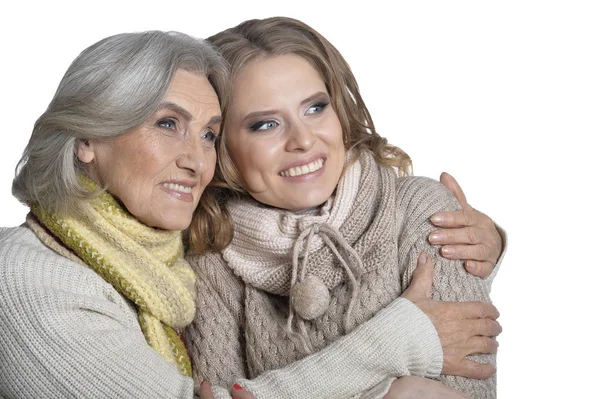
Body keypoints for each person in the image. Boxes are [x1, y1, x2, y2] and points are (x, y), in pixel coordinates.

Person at [0, 29, 500, 399]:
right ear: (87, 138)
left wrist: (489, 244)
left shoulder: (160, 256)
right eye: (167, 123)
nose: (195, 158)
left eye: (207, 133)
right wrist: (395, 351)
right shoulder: (33, 280)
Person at [186, 17, 505, 399]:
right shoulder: (209, 259)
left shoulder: (418, 209)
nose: (303, 140)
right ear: (221, 145)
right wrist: (393, 353)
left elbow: (469, 387)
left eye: (316, 108)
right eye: (265, 125)